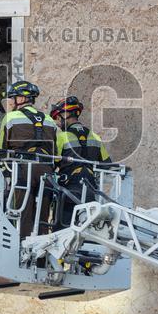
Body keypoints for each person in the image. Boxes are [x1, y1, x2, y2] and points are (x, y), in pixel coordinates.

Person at [0, 80, 58, 239]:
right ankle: (43, 246)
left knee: (23, 213)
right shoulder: (49, 120)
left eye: (13, 98)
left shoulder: (10, 118)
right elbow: (55, 152)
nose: (11, 102)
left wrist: (4, 172)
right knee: (43, 213)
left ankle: (22, 245)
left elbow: (3, 151)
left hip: (24, 170)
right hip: (46, 171)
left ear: (22, 98)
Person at [51, 96, 112, 228]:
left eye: (58, 118)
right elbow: (107, 164)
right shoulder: (95, 137)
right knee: (86, 229)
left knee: (62, 230)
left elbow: (52, 164)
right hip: (91, 189)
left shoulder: (62, 137)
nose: (58, 123)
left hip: (68, 191)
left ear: (65, 115)